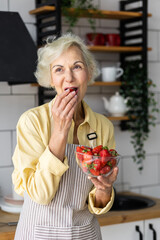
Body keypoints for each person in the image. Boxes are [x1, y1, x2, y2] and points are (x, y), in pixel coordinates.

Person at [12, 33, 119, 240]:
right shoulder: (32, 121)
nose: (69, 78)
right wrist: (60, 130)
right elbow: (40, 196)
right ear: (51, 79)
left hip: (86, 234)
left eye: (77, 67)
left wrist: (104, 189)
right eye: (58, 70)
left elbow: (96, 203)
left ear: (88, 73)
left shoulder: (103, 126)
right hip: (39, 234)